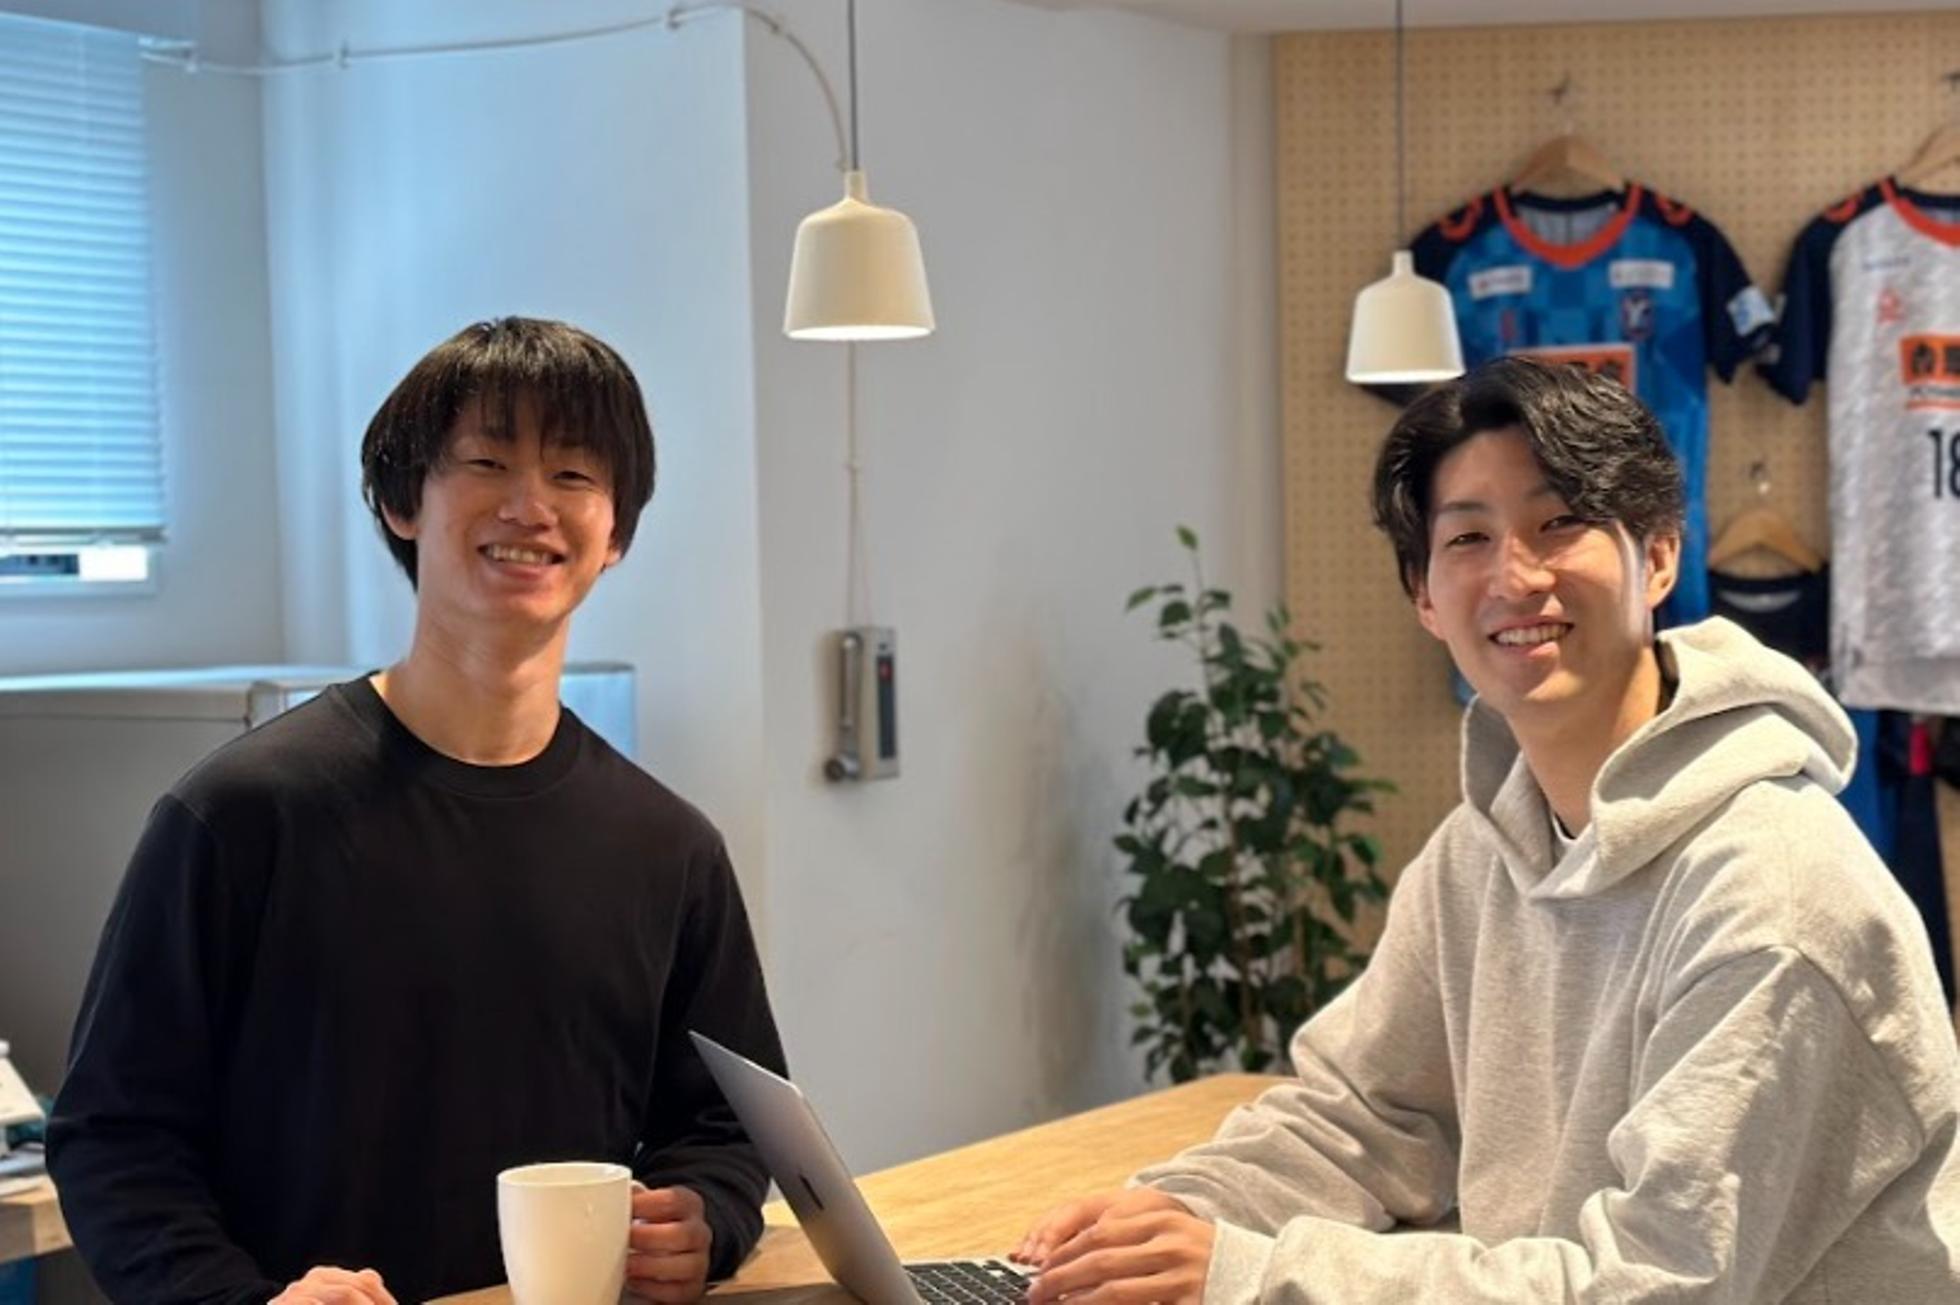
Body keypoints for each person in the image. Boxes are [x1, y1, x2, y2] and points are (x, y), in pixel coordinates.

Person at [1017, 357, 1960, 1302]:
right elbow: (1366, 1118)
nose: (1516, 576)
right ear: (1425, 596)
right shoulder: (1479, 857)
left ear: (1660, 556)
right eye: (1468, 537)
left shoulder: (1775, 893)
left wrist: (1253, 1274)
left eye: (1561, 522)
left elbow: (1657, 1284)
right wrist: (1161, 1220)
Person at [49, 318, 785, 1305]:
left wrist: (705, 1217)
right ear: (403, 502)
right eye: (487, 461)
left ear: (615, 534)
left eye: (573, 474)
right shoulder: (242, 814)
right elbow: (113, 1136)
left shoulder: (668, 846)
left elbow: (728, 1129)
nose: (531, 506)